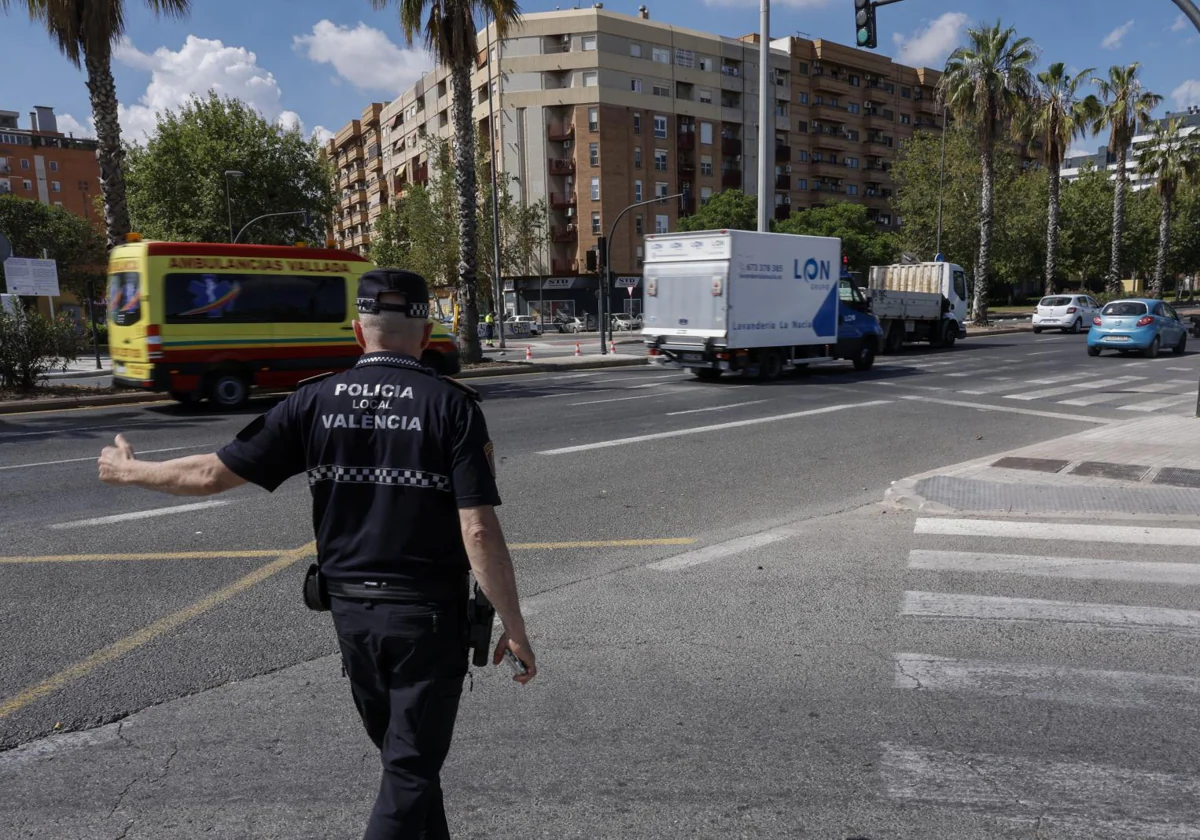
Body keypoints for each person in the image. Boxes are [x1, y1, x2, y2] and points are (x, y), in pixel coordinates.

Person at [96, 268, 536, 840]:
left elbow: (210, 475)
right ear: (426, 333)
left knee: (408, 766)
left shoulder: (313, 400)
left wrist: (131, 471)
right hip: (427, 619)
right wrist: (515, 623)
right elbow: (477, 530)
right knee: (409, 768)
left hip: (352, 617)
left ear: (359, 332)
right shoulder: (451, 406)